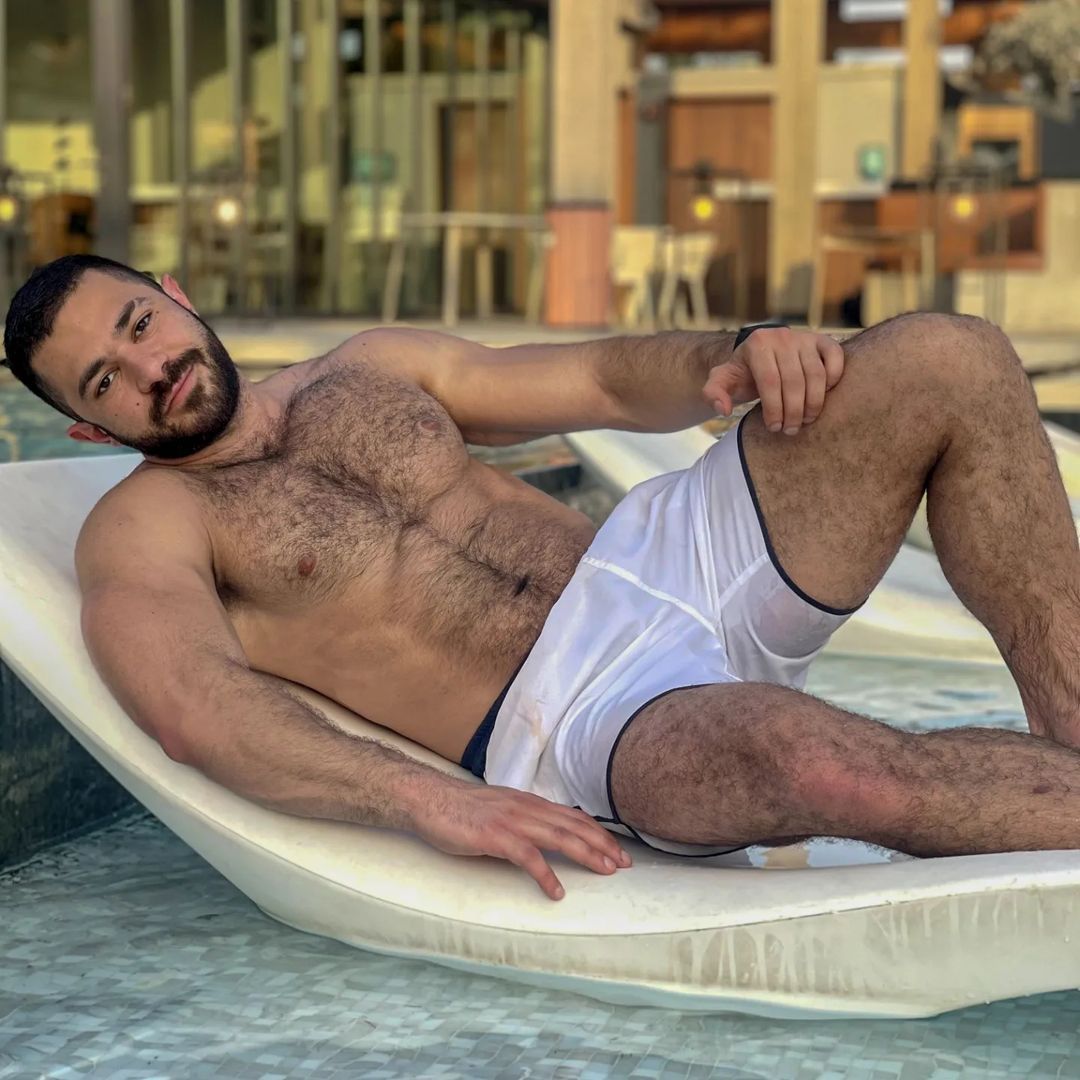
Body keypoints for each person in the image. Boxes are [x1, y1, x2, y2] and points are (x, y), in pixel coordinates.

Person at [5, 254, 1080, 903]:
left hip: (665, 553)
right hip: (584, 713)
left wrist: (738, 348)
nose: (153, 367)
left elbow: (602, 380)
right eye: (108, 380)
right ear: (90, 427)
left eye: (140, 325)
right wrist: (425, 799)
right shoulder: (144, 528)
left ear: (175, 295)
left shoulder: (372, 365)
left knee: (951, 356)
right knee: (831, 772)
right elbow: (196, 705)